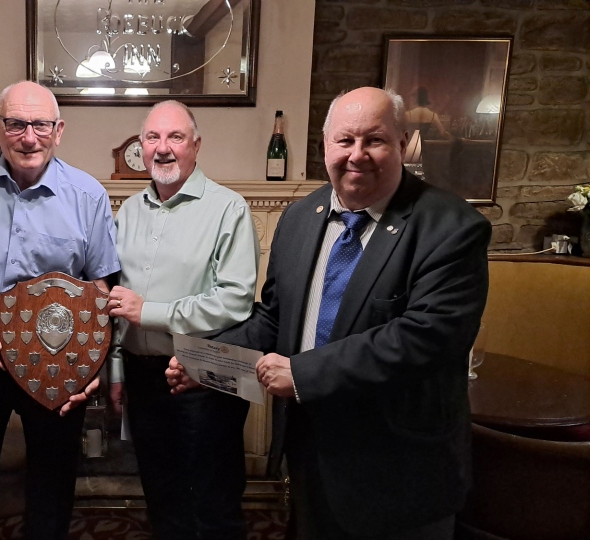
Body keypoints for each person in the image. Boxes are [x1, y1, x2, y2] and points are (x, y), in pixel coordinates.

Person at [168, 87, 491, 539]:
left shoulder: (452, 228)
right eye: (344, 140)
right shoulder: (300, 218)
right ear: (325, 147)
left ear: (402, 144)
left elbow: (426, 339)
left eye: (374, 140)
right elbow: (275, 317)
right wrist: (205, 357)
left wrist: (302, 373)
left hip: (399, 471)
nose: (357, 155)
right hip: (310, 455)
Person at [0, 80, 120, 540]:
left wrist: (90, 363)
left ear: (59, 130)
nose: (28, 137)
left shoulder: (88, 195)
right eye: (15, 124)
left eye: (40, 125)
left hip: (57, 360)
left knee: (51, 487)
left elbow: (101, 288)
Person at [107, 100, 259, 540]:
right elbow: (116, 301)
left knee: (213, 503)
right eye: (152, 138)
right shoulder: (129, 212)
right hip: (142, 378)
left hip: (203, 377)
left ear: (196, 145)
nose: (163, 149)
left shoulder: (228, 208)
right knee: (162, 497)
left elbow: (234, 301)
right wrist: (116, 368)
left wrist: (148, 313)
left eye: (175, 137)